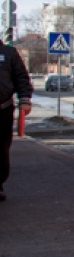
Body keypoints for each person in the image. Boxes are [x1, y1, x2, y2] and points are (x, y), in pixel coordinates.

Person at [0, 41, 34, 201]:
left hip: (3, 110)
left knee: (1, 150)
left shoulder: (8, 53)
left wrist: (25, 99)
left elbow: (21, 77)